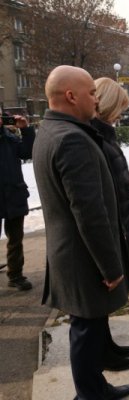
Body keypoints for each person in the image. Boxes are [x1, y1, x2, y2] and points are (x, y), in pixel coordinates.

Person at [32, 65, 129, 400]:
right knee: (85, 328)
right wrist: (111, 267)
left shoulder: (50, 130)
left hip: (71, 252)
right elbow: (89, 214)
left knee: (87, 326)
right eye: (91, 92)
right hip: (83, 256)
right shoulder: (73, 139)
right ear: (71, 96)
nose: (96, 98)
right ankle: (91, 394)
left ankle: (93, 389)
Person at [91, 77, 129, 372]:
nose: (120, 116)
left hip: (118, 220)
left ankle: (106, 344)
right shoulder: (94, 137)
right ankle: (101, 352)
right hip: (110, 223)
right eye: (119, 109)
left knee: (109, 296)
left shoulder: (104, 134)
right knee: (102, 294)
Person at [0, 108, 35, 290]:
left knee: (15, 239)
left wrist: (26, 129)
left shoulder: (9, 137)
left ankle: (16, 275)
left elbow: (28, 152)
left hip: (14, 195)